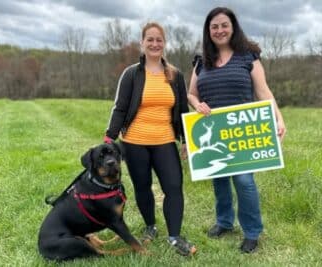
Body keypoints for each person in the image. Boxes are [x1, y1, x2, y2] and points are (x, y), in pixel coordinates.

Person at [188, 7, 287, 253]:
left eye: (224, 25)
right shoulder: (201, 61)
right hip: (215, 129)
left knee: (244, 182)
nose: (219, 30)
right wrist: (196, 104)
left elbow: (263, 92)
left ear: (233, 28)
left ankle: (252, 232)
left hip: (242, 132)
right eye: (214, 26)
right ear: (208, 31)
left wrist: (279, 118)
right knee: (219, 180)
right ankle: (224, 222)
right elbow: (191, 93)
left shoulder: (248, 56)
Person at [104, 22, 196, 256]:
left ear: (164, 44)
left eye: (159, 40)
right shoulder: (132, 74)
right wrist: (109, 138)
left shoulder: (175, 75)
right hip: (134, 142)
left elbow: (183, 110)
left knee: (174, 187)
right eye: (150, 40)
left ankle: (174, 237)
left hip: (165, 140)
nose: (155, 44)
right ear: (142, 43)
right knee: (142, 187)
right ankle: (150, 226)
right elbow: (120, 108)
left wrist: (186, 140)